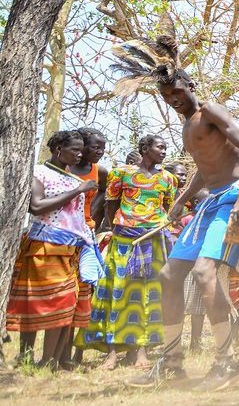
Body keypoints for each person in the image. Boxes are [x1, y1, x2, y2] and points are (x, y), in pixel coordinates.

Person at [110, 14, 239, 390]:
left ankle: (228, 361)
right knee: (169, 274)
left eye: (179, 94)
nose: (175, 101)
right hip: (210, 202)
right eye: (168, 98)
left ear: (191, 85)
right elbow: (204, 170)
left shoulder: (209, 110)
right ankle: (172, 361)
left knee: (205, 273)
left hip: (232, 199)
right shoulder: (186, 124)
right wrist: (180, 200)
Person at [79, 135, 176, 369]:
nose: (163, 151)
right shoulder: (121, 173)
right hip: (124, 241)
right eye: (159, 147)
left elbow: (166, 208)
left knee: (147, 295)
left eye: (165, 148)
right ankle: (112, 352)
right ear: (144, 148)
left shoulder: (168, 178)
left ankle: (141, 351)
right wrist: (120, 228)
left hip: (152, 241)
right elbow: (111, 203)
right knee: (118, 293)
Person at [8, 131, 98, 369]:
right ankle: (26, 357)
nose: (80, 154)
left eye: (81, 150)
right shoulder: (39, 172)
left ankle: (49, 362)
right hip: (43, 246)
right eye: (75, 150)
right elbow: (36, 206)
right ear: (58, 148)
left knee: (66, 303)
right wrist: (78, 191)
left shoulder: (72, 178)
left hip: (71, 249)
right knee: (37, 303)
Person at [64, 127, 108, 367]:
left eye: (103, 148)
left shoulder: (98, 170)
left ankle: (77, 353)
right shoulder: (66, 168)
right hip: (64, 234)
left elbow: (105, 192)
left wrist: (93, 216)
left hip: (87, 234)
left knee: (85, 292)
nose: (99, 152)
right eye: (95, 147)